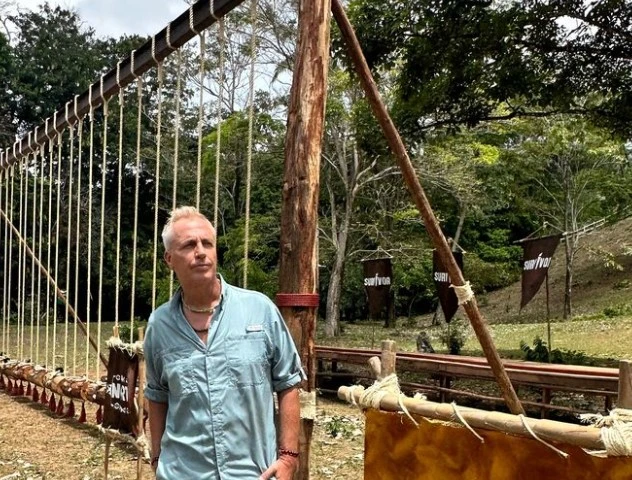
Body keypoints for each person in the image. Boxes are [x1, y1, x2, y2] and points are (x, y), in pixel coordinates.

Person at [144, 206, 304, 480]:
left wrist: (289, 457)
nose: (200, 252)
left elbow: (288, 383)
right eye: (189, 245)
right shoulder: (159, 325)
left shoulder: (260, 310)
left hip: (254, 474)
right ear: (169, 259)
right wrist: (158, 458)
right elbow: (158, 395)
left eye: (207, 243)